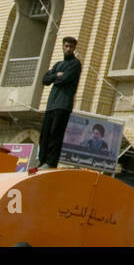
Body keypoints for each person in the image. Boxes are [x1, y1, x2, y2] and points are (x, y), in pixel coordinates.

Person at [37, 37, 82, 170]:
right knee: (45, 134)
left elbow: (65, 79)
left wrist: (54, 77)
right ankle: (42, 161)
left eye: (71, 47)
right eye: (66, 46)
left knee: (55, 134)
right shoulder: (58, 65)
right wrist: (57, 75)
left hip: (63, 105)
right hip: (51, 104)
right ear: (62, 46)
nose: (68, 49)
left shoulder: (75, 64)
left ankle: (50, 162)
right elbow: (45, 80)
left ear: (74, 48)